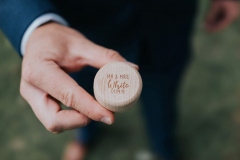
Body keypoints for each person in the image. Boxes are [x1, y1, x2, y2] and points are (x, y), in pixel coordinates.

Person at [0, 0, 239, 159]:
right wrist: (35, 26)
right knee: (81, 99)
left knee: (163, 103)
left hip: (167, 24)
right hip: (84, 35)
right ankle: (85, 136)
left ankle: (163, 147)